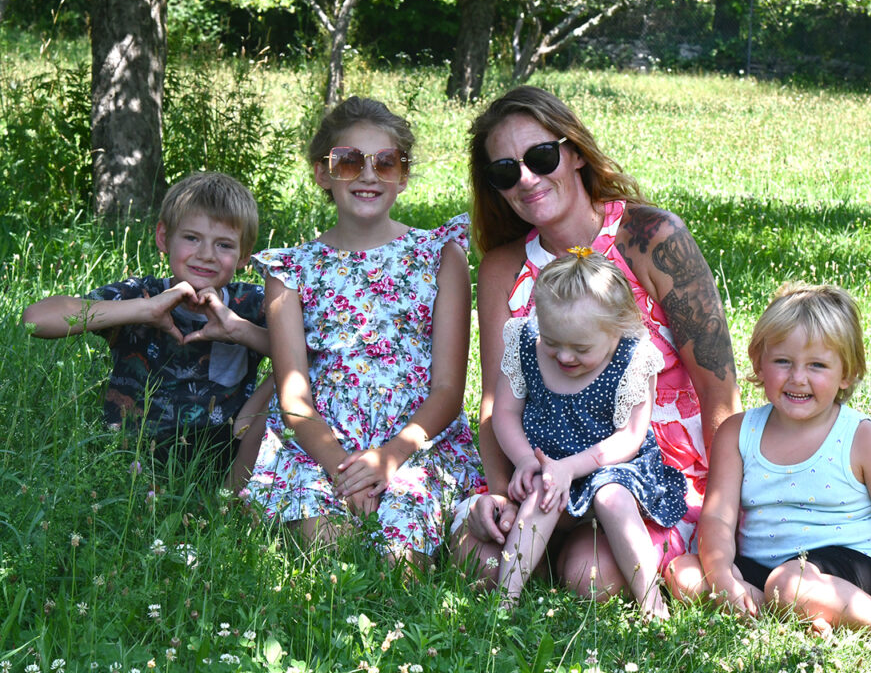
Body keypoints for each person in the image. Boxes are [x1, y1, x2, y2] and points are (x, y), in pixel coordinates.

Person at [453, 85, 741, 598]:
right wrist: (501, 494)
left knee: (592, 579)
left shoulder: (649, 236)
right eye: (505, 171)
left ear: (575, 152)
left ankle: (573, 556)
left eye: (541, 157)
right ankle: (543, 548)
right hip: (540, 475)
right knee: (474, 558)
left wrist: (724, 520)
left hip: (644, 475)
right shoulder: (503, 267)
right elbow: (496, 402)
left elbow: (720, 394)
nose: (526, 178)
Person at [243, 96, 484, 564]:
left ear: (403, 175)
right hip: (322, 444)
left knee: (399, 558)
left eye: (386, 162)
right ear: (323, 173)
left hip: (416, 442)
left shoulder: (441, 256)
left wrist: (389, 457)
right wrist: (343, 470)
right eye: (349, 162)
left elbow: (449, 389)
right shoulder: (290, 270)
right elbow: (294, 398)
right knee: (328, 544)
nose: (369, 175)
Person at [666, 283, 871, 649]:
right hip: (761, 567)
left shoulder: (863, 440)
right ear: (758, 363)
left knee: (791, 584)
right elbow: (718, 518)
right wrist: (723, 576)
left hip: (847, 568)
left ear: (846, 374)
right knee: (683, 572)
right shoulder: (738, 433)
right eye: (783, 361)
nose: (797, 378)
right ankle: (793, 613)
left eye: (817, 365)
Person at [21, 172, 269, 469]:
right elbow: (35, 318)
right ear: (164, 238)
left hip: (225, 453)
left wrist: (239, 330)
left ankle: (230, 503)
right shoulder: (141, 294)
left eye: (224, 245)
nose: (206, 255)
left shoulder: (252, 303)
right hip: (133, 455)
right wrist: (143, 310)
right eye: (192, 238)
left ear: (245, 255)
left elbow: (314, 355)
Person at [494, 250, 687, 614]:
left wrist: (573, 466)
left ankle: (651, 600)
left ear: (616, 330)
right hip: (547, 462)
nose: (565, 357)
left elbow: (630, 437)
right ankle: (505, 600)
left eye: (581, 349)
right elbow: (504, 412)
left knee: (610, 496)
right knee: (543, 489)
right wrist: (525, 461)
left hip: (611, 466)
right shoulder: (525, 342)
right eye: (552, 343)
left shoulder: (633, 357)